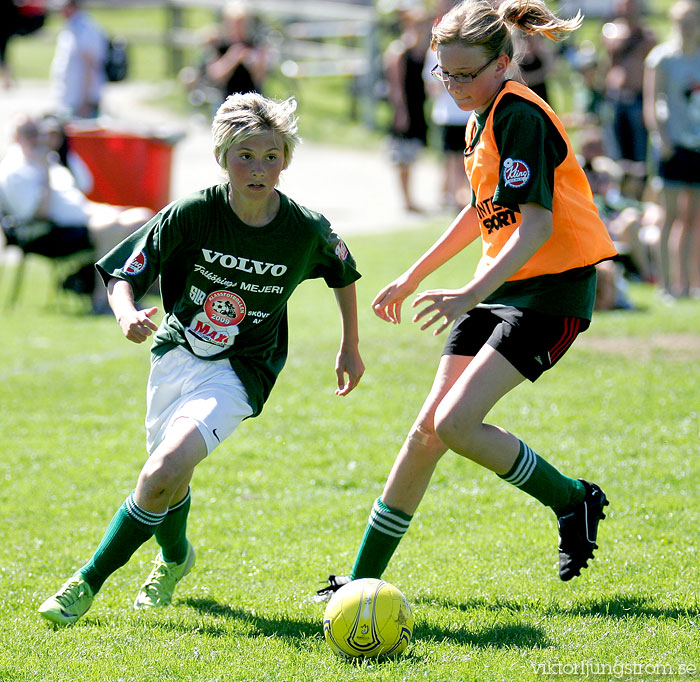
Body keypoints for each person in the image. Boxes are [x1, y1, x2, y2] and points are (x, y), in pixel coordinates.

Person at [316, 0, 617, 601]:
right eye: (443, 74)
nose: (453, 87)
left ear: (504, 63)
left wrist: (469, 292)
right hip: (498, 286)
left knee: (455, 422)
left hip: (551, 292)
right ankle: (361, 579)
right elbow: (479, 211)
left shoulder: (520, 115)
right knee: (428, 430)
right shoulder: (481, 114)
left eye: (465, 74)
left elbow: (533, 225)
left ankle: (573, 500)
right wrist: (411, 276)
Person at [37, 92, 364, 626]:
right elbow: (126, 273)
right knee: (168, 477)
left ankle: (84, 584)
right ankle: (174, 559)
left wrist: (349, 345)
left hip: (242, 372)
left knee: (164, 468)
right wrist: (125, 314)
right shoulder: (193, 213)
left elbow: (343, 273)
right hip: (174, 356)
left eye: (270, 156)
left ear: (286, 158)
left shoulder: (303, 228)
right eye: (245, 156)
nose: (258, 169)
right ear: (221, 157)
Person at [0, 114, 154, 312]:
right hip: (50, 230)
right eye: (30, 133)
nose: (36, 138)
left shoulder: (49, 159)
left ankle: (135, 292)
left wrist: (64, 151)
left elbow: (84, 184)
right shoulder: (14, 169)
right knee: (115, 228)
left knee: (143, 219)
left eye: (39, 132)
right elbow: (38, 213)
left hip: (85, 216)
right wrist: (45, 172)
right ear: (15, 136)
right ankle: (102, 299)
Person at [643, 0, 700, 300]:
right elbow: (651, 102)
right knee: (670, 216)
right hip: (672, 145)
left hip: (698, 145)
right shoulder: (661, 58)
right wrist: (662, 139)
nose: (688, 26)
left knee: (694, 219)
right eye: (683, 20)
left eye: (693, 20)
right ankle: (666, 285)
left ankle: (690, 284)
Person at [384, 7, 431, 213]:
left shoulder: (422, 51)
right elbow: (395, 86)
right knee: (402, 156)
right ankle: (406, 200)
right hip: (405, 109)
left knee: (412, 155)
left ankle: (410, 198)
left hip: (417, 108)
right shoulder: (398, 51)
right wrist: (400, 111)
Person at [599, 0, 656, 164]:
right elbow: (607, 63)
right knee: (615, 150)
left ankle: (638, 186)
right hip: (615, 97)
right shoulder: (611, 32)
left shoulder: (647, 35)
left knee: (639, 151)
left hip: (637, 97)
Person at [50, 0, 108, 119]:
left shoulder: (86, 29)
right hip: (69, 99)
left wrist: (85, 102)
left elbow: (90, 65)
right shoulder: (70, 27)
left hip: (81, 103)